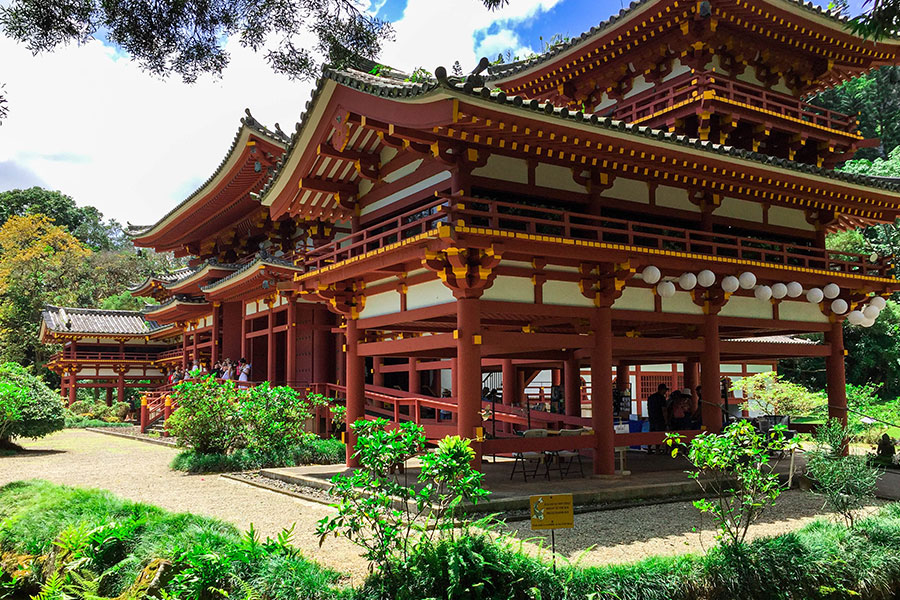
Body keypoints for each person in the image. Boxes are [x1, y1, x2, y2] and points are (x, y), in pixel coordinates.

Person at [647, 383, 668, 453]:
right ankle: (657, 449)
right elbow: (664, 410)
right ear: (662, 390)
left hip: (652, 417)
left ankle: (649, 448)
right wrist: (666, 420)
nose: (665, 392)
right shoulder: (662, 398)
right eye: (665, 390)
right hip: (660, 418)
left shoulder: (651, 397)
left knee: (651, 434)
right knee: (658, 434)